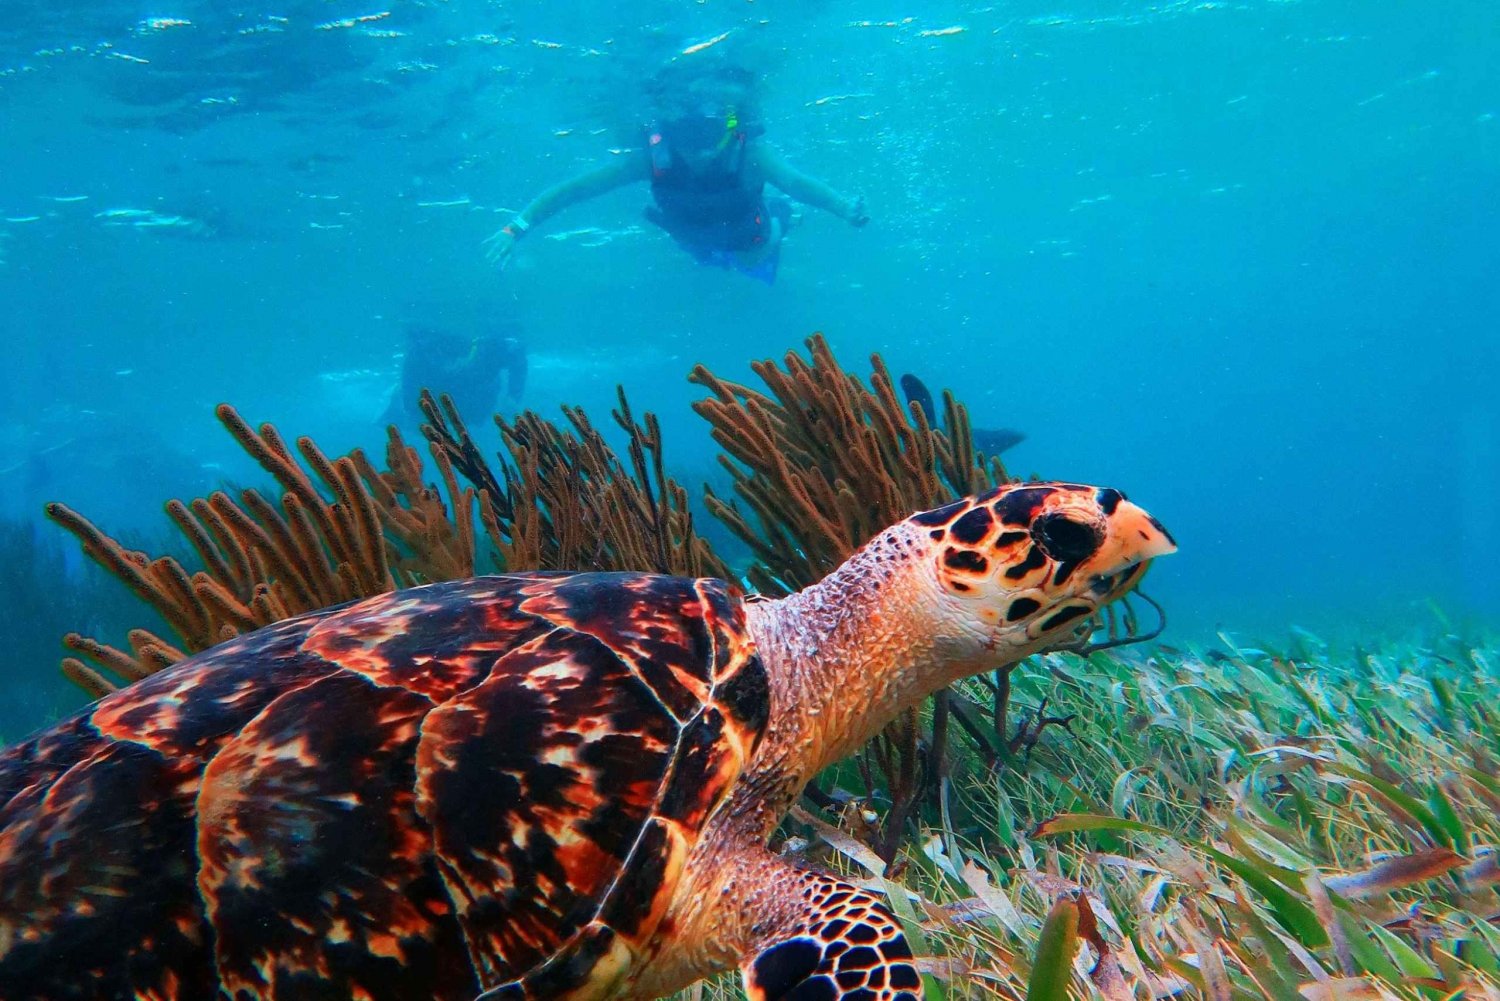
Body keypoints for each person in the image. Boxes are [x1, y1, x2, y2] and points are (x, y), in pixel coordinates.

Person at [485, 61, 868, 284]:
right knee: (702, 254)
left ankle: (782, 218)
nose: (699, 153)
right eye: (686, 140)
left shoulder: (750, 152)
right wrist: (515, 226)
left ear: (725, 131)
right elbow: (577, 189)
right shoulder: (650, 160)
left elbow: (795, 182)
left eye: (709, 138)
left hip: (750, 234)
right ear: (669, 135)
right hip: (690, 233)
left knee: (752, 259)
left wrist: (842, 206)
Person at [382, 322, 527, 425]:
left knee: (475, 416)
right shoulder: (423, 356)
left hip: (470, 399)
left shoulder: (487, 350)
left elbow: (516, 356)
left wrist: (513, 396)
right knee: (415, 412)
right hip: (437, 396)